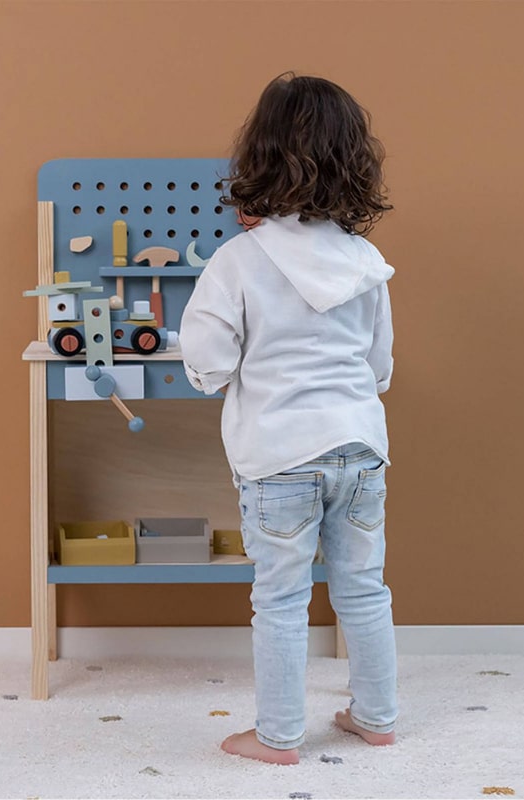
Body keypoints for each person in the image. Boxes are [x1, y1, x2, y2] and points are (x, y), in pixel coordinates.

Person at [179, 73, 398, 765]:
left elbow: (208, 364)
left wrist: (224, 371)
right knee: (364, 588)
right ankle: (377, 717)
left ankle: (277, 737)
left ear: (261, 156)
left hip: (279, 456)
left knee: (280, 598)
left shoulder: (237, 261)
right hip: (360, 447)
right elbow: (380, 367)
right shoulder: (366, 261)